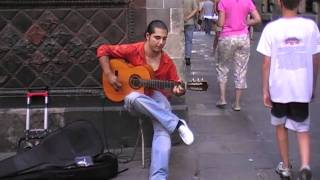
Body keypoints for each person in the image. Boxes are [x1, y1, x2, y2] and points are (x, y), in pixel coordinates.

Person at [97, 20, 194, 180]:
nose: (161, 42)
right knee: (134, 96)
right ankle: (176, 123)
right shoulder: (134, 50)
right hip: (133, 101)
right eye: (157, 37)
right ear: (147, 36)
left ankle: (158, 177)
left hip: (156, 99)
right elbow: (102, 50)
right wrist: (109, 74)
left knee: (162, 127)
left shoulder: (167, 62)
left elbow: (176, 86)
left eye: (164, 39)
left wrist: (178, 90)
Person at [256, 0, 320, 179]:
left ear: (279, 2)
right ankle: (305, 166)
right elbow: (316, 59)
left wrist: (265, 90)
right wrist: (312, 85)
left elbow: (266, 63)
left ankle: (285, 166)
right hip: (301, 87)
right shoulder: (310, 26)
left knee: (280, 126)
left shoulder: (271, 28)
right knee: (302, 128)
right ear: (300, 2)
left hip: (279, 87)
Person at [215, 0, 261, 111]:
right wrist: (245, 22)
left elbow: (221, 23)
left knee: (222, 67)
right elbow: (258, 19)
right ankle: (237, 104)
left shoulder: (223, 2)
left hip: (227, 38)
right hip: (243, 38)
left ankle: (222, 99)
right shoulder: (248, 2)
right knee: (241, 69)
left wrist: (217, 22)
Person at [184, 0, 199, 66]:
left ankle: (180, 55)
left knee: (179, 40)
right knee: (188, 41)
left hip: (179, 22)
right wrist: (188, 17)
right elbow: (196, 9)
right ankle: (187, 57)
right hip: (189, 22)